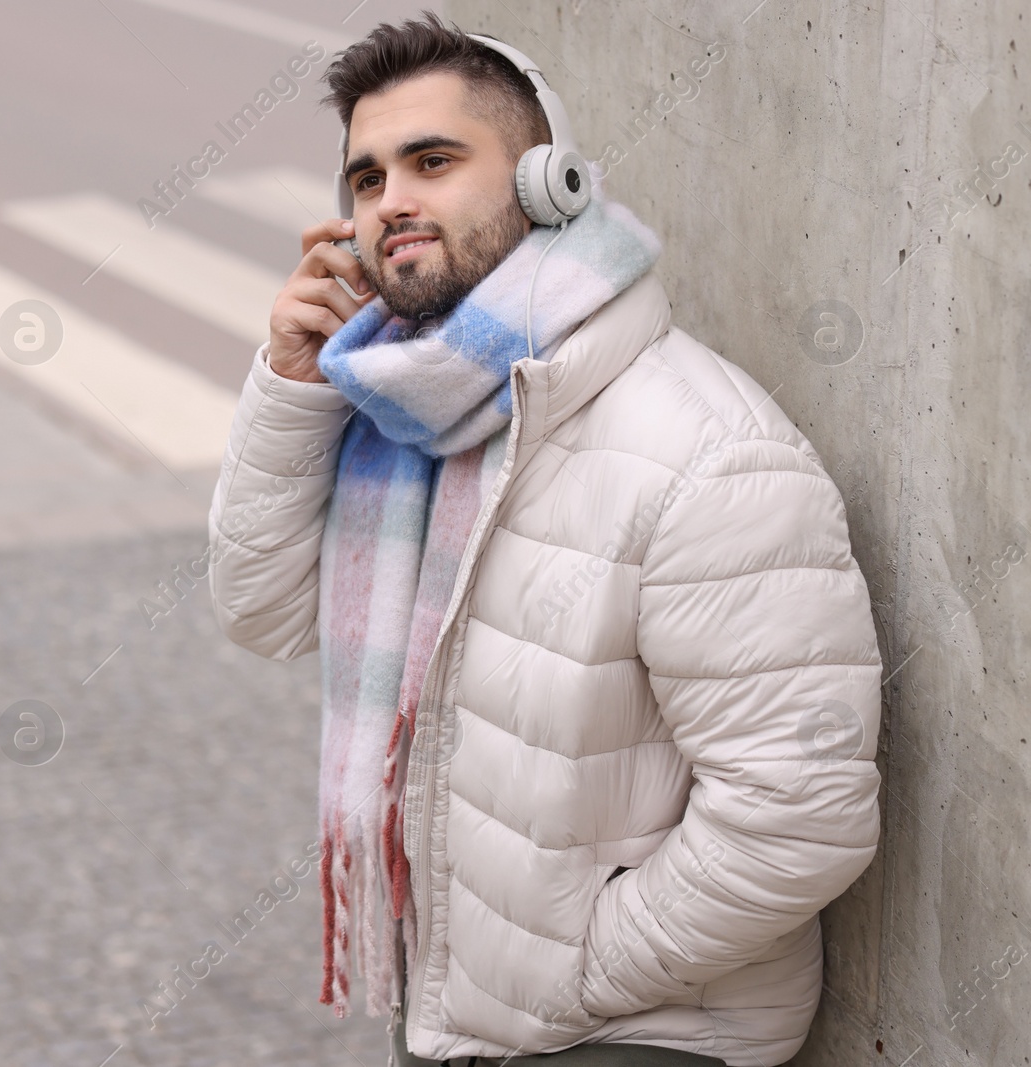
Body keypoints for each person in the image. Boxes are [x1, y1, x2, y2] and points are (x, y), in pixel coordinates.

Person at [205, 14, 882, 1067]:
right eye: (368, 178)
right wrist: (290, 385)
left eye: (433, 160)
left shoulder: (704, 454)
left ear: (548, 183)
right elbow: (260, 609)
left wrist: (570, 979)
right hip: (463, 1011)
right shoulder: (410, 413)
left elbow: (800, 815)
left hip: (637, 1033)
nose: (393, 202)